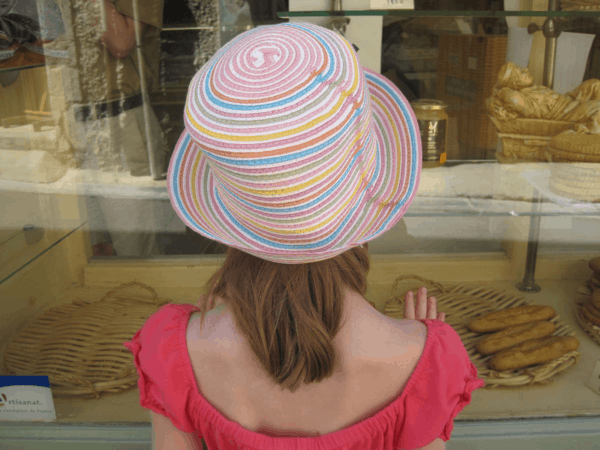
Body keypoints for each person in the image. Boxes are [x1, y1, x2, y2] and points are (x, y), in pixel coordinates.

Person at [124, 22, 484, 450]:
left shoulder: (173, 350)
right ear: (363, 197)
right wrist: (418, 362)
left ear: (231, 216)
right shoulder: (426, 361)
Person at [47, 0, 166, 257]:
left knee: (135, 250)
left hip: (118, 121)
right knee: (83, 250)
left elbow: (121, 42)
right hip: (63, 121)